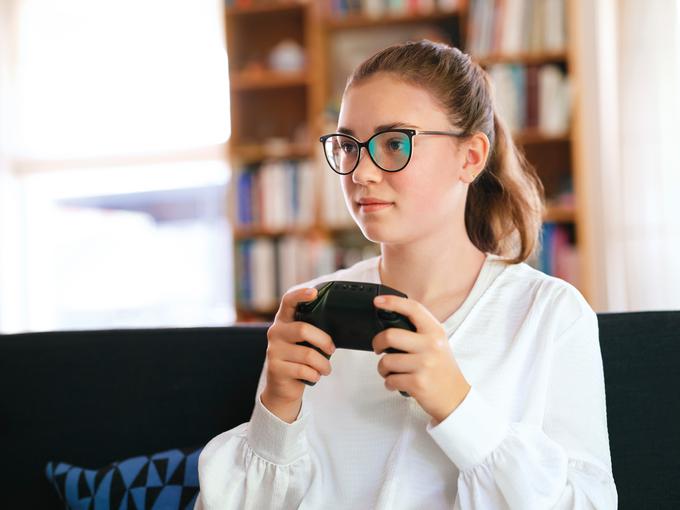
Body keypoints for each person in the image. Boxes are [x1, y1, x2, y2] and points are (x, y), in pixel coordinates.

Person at [195, 40, 617, 509]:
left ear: (471, 157)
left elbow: (588, 502)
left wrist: (457, 405)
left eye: (395, 143)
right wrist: (276, 408)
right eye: (348, 145)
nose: (361, 173)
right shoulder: (316, 312)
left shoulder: (550, 315)